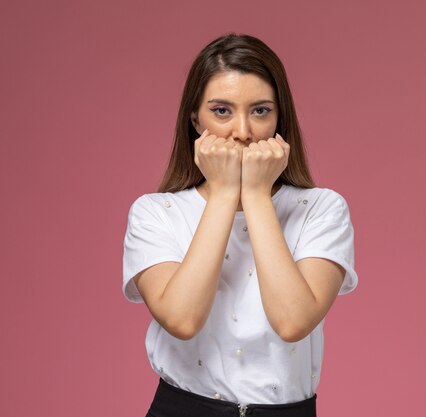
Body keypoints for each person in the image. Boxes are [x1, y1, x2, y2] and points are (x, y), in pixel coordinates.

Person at [122, 33, 358, 417]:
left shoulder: (321, 208)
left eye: (261, 111)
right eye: (221, 111)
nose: (243, 131)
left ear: (281, 118)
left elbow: (292, 321)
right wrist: (223, 192)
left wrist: (256, 195)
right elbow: (182, 319)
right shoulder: (156, 212)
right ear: (195, 118)